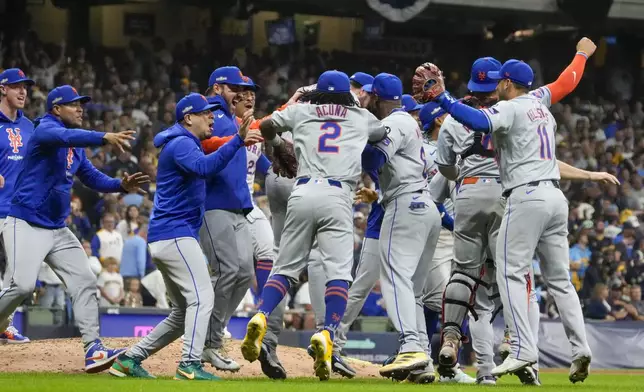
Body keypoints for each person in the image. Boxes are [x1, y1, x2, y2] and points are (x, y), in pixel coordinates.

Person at [426, 41, 619, 384]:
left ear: (507, 84)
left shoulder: (510, 108)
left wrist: (442, 99)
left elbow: (474, 119)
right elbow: (567, 82)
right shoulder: (540, 101)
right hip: (555, 198)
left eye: (501, 81)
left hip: (525, 196)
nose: (497, 85)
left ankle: (521, 350)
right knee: (559, 280)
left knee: (510, 274)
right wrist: (582, 55)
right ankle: (580, 348)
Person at [240, 70, 386, 381]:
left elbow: (264, 125)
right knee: (337, 272)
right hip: (337, 194)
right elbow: (381, 133)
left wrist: (279, 143)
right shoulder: (359, 115)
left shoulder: (302, 110)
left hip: (302, 190)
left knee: (285, 266)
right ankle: (327, 332)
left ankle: (262, 315)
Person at [109, 93, 262, 380]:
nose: (212, 117)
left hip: (171, 236)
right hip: (175, 234)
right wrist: (238, 140)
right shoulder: (181, 143)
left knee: (182, 313)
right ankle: (189, 364)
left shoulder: (184, 141)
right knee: (203, 299)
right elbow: (205, 167)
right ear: (188, 117)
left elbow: (208, 158)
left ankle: (130, 359)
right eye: (206, 113)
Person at [0, 84, 148, 373]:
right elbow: (65, 135)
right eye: (74, 104)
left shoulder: (74, 144)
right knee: (23, 285)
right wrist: (104, 137)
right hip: (25, 222)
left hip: (57, 228)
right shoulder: (45, 129)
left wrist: (119, 184)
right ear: (56, 108)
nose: (81, 108)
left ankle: (93, 348)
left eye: (82, 104)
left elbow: (90, 176)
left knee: (84, 281)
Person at [361, 73, 442, 380]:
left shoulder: (396, 121)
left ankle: (411, 347)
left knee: (394, 277)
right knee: (414, 291)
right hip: (426, 207)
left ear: (377, 98)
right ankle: (423, 360)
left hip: (405, 205)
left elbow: (375, 159)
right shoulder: (409, 122)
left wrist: (356, 135)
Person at [200, 66, 256, 372]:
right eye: (235, 87)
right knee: (226, 270)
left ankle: (214, 329)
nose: (242, 93)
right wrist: (236, 137)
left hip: (238, 206)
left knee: (245, 272)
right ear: (219, 87)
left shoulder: (234, 119)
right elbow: (199, 143)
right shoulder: (206, 112)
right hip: (214, 204)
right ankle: (208, 341)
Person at [0, 68, 34, 344]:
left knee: (16, 277)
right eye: (16, 87)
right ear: (3, 89)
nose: (23, 92)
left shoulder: (29, 127)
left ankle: (4, 325)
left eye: (25, 87)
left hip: (18, 212)